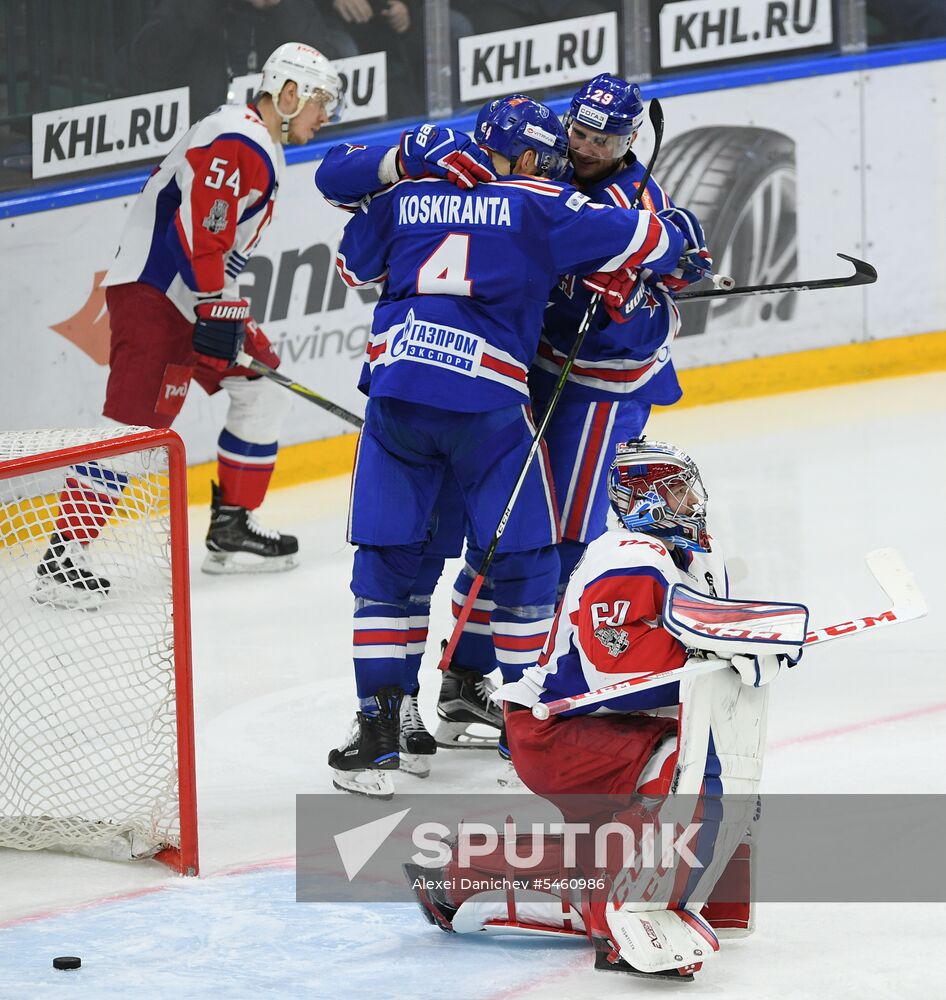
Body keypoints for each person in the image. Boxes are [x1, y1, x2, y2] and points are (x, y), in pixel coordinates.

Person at [315, 76, 712, 766]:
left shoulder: (426, 185)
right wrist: (663, 255)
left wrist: (637, 304)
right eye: (572, 136)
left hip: (532, 390)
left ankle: (405, 709)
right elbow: (662, 245)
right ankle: (505, 701)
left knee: (476, 554)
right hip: (503, 394)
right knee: (515, 550)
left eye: (598, 140)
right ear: (539, 152)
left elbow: (351, 251)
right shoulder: (540, 199)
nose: (580, 149)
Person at [404, 438, 802, 981]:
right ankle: (627, 912)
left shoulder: (692, 557)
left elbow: (698, 637)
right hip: (557, 729)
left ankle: (459, 873)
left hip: (593, 726)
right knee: (679, 766)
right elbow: (622, 677)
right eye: (678, 492)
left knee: (631, 830)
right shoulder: (628, 558)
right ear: (646, 499)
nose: (692, 502)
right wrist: (713, 650)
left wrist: (747, 640)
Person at [33, 43, 343, 608]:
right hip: (156, 293)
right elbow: (202, 229)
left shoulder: (255, 139)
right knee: (133, 428)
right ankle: (61, 559)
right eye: (321, 101)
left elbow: (215, 244)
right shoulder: (237, 138)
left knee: (261, 387)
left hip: (192, 297)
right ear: (289, 93)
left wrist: (223, 305)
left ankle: (231, 530)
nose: (327, 116)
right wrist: (215, 305)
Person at [122, 0, 356, 120]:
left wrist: (282, 6)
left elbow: (325, 67)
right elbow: (148, 59)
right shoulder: (195, 7)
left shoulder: (288, 6)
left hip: (277, 134)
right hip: (207, 135)